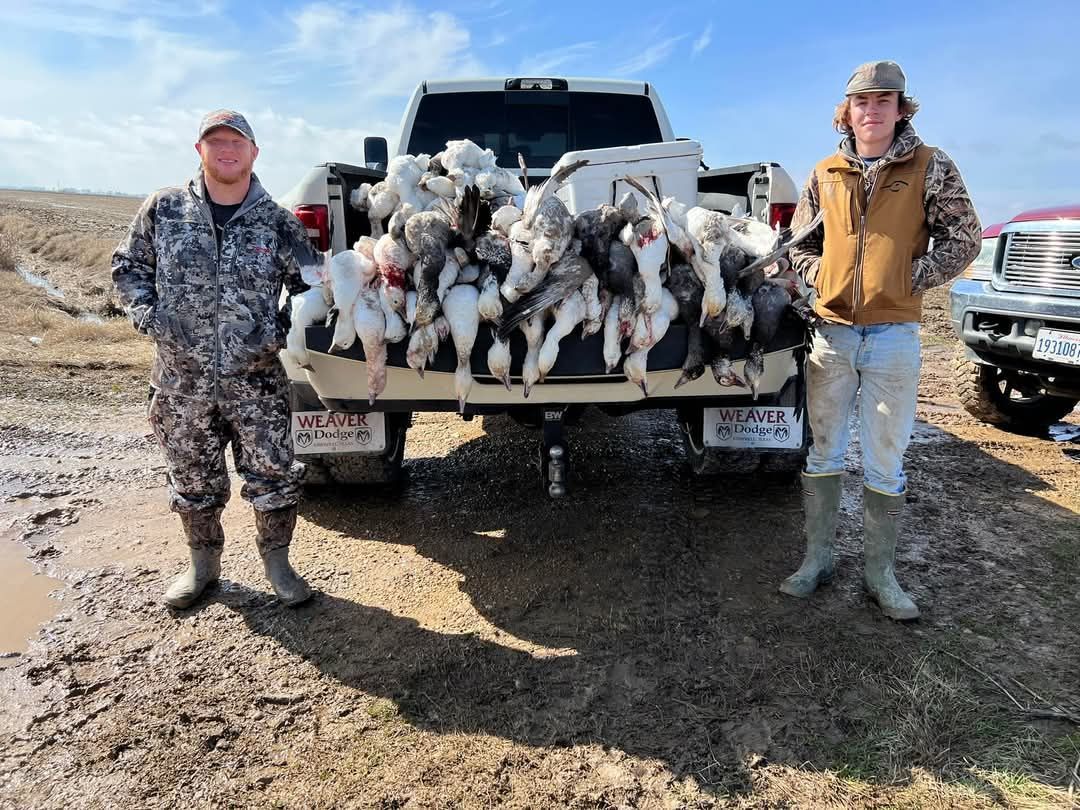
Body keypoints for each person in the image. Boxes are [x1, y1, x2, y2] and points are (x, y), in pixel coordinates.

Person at [779, 61, 981, 620]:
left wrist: (908, 279)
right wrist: (822, 277)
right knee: (823, 448)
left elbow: (966, 238)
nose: (872, 110)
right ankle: (818, 559)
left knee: (885, 457)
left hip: (894, 334)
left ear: (900, 108)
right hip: (832, 333)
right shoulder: (825, 172)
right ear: (847, 111)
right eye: (862, 102)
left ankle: (880, 575)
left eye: (884, 101)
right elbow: (799, 242)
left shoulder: (930, 165)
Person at [112, 110, 320, 609]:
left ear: (254, 153)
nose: (226, 149)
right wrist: (151, 318)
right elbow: (128, 267)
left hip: (257, 383)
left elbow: (312, 289)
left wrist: (275, 332)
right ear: (200, 150)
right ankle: (202, 567)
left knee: (274, 477)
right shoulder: (164, 209)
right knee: (192, 481)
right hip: (181, 382)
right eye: (216, 141)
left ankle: (279, 566)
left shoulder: (279, 222)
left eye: (237, 142)